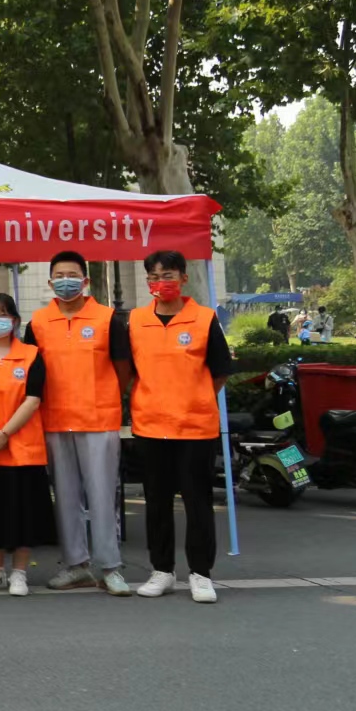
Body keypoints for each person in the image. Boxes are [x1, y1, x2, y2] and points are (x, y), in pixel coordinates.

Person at [125, 250, 235, 604]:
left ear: (183, 278)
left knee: (197, 501)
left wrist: (194, 398)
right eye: (154, 277)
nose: (162, 282)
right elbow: (128, 371)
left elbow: (220, 371)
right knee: (156, 502)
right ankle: (162, 570)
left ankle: (201, 574)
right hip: (150, 426)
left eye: (169, 275)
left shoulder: (204, 318)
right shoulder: (136, 320)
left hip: (195, 428)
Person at [23, 250, 135, 595]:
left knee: (102, 497)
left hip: (98, 420)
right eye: (59, 276)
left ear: (85, 281)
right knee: (66, 497)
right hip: (55, 420)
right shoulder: (38, 323)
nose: (65, 281)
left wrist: (105, 399)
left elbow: (123, 369)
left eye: (72, 275)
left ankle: (110, 567)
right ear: (50, 282)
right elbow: (31, 374)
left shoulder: (108, 318)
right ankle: (76, 565)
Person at [0, 292, 56, 595]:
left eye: (3, 314)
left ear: (15, 320)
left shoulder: (31, 354)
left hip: (23, 447)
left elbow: (33, 399)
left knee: (24, 512)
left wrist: (4, 432)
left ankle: (19, 572)